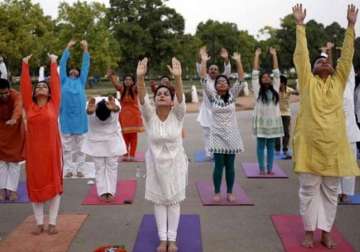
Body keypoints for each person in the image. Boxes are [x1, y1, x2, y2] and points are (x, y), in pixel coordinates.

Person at [292, 4, 359, 248]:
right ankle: (309, 231)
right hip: (310, 148)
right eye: (318, 62)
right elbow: (301, 55)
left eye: (326, 61)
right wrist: (300, 26)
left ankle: (326, 231)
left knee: (331, 192)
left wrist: (351, 27)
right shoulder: (307, 81)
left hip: (333, 150)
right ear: (313, 68)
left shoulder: (339, 82)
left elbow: (347, 57)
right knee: (309, 191)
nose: (324, 63)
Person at [137, 57, 188, 252]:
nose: (162, 95)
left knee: (173, 201)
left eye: (166, 93)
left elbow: (182, 99)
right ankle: (162, 240)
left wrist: (178, 78)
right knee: (159, 201)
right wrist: (139, 78)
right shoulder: (150, 117)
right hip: (155, 165)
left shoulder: (178, 115)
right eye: (159, 93)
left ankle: (172, 240)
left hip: (176, 164)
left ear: (171, 99)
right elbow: (142, 100)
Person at [21, 54, 63, 235]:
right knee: (35, 184)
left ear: (49, 91)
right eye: (38, 86)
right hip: (34, 152)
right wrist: (24, 65)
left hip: (52, 151)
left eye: (44, 86)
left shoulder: (54, 104)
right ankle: (39, 222)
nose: (41, 88)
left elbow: (56, 84)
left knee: (54, 186)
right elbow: (24, 87)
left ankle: (52, 222)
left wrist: (53, 63)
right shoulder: (29, 106)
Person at [199, 48, 245, 202]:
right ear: (216, 86)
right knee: (218, 166)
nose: (222, 84)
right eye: (219, 82)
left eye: (224, 82)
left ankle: (230, 192)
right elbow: (204, 80)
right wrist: (204, 61)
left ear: (227, 84)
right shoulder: (212, 97)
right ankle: (217, 192)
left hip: (232, 134)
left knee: (230, 166)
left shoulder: (233, 95)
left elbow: (241, 79)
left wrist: (237, 61)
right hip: (217, 134)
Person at [82, 96, 127, 201]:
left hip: (112, 140)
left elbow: (117, 109)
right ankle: (102, 192)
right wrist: (89, 111)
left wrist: (115, 108)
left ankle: (110, 192)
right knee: (99, 168)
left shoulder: (114, 104)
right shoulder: (91, 106)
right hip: (96, 140)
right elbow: (88, 111)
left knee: (111, 167)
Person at [59, 39, 90, 177]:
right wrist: (67, 47)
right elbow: (62, 63)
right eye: (71, 69)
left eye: (75, 69)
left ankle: (81, 169)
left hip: (80, 118)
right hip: (66, 117)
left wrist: (85, 49)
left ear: (78, 73)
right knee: (66, 147)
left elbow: (85, 66)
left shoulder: (81, 81)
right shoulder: (63, 80)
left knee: (81, 147)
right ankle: (69, 169)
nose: (73, 70)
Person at [252, 47, 284, 175]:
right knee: (260, 146)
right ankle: (261, 169)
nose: (266, 78)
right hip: (261, 123)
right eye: (263, 77)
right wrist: (257, 55)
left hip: (274, 123)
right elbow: (254, 73)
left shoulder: (275, 88)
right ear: (260, 80)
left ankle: (270, 169)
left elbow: (276, 72)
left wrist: (274, 55)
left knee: (271, 147)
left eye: (267, 77)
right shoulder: (257, 89)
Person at [197, 47, 231, 159]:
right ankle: (208, 153)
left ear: (219, 72)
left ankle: (219, 151)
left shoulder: (221, 80)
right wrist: (202, 58)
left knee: (218, 134)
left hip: (219, 112)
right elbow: (200, 68)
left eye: (215, 69)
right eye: (211, 69)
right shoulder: (205, 78)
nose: (213, 70)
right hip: (206, 111)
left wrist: (226, 59)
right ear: (207, 71)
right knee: (207, 133)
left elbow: (228, 71)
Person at [108, 71, 144, 161]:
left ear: (133, 82)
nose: (128, 81)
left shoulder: (135, 89)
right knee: (124, 136)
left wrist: (141, 74)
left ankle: (132, 156)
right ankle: (125, 155)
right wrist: (111, 76)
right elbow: (115, 84)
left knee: (133, 137)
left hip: (134, 115)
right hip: (123, 115)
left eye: (130, 80)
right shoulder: (122, 89)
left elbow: (140, 83)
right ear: (124, 81)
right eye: (126, 80)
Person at [0, 78, 25, 201]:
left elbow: (18, 107)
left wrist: (15, 118)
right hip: (1, 129)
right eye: (1, 94)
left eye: (6, 93)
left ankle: (12, 190)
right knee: (1, 162)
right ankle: (2, 190)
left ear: (9, 90)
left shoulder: (16, 95)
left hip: (15, 129)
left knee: (14, 162)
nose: (4, 96)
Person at [275, 75, 297, 159]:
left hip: (286, 114)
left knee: (286, 132)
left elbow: (296, 92)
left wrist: (298, 91)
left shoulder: (289, 90)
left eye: (279, 82)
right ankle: (277, 148)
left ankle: (285, 148)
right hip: (277, 114)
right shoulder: (275, 90)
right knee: (277, 132)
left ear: (283, 83)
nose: (278, 84)